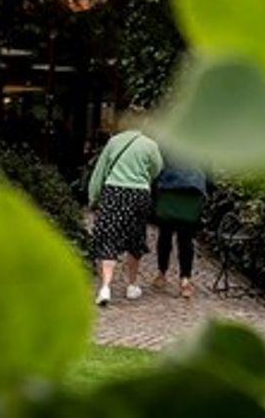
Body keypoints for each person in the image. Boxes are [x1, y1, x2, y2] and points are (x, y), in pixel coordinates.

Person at [83, 117, 161, 306]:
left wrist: (93, 196)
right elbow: (158, 168)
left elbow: (100, 171)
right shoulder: (150, 145)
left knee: (108, 237)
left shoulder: (114, 142)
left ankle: (105, 287)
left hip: (114, 191)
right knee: (135, 237)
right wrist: (143, 176)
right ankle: (132, 285)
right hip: (139, 194)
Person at [150, 151, 209, 299]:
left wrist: (154, 191)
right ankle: (185, 279)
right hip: (192, 192)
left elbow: (157, 167)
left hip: (169, 191)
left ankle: (161, 274)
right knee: (186, 239)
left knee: (165, 235)